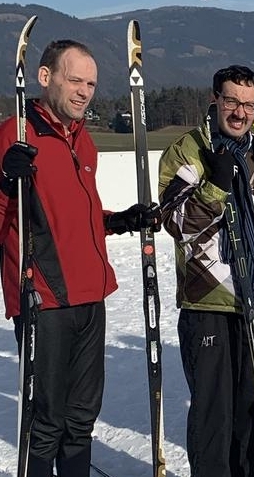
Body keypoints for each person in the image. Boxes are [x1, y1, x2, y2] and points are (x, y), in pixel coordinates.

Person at [0, 39, 159, 476]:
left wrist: (119, 220)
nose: (84, 91)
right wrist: (1, 180)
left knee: (81, 419)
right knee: (46, 422)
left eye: (90, 83)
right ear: (45, 77)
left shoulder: (82, 140)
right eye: (75, 80)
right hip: (44, 302)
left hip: (91, 296)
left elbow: (73, 216)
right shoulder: (15, 138)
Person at [157, 64, 254, 477]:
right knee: (213, 417)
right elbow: (176, 222)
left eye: (249, 104)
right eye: (232, 101)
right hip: (209, 301)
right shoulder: (189, 150)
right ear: (215, 100)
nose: (240, 112)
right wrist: (215, 187)